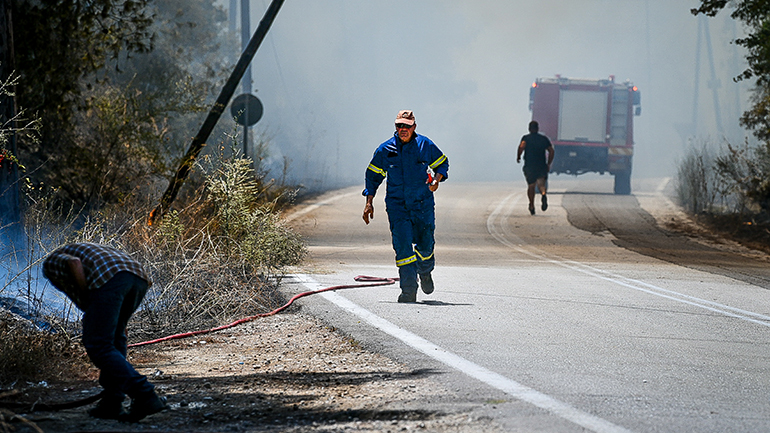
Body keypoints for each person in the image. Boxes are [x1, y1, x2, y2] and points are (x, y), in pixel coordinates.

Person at [42, 243, 167, 422]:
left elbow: (74, 263)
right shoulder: (92, 249)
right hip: (138, 279)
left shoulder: (50, 262)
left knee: (98, 345)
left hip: (111, 280)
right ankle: (112, 403)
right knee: (115, 341)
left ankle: (145, 395)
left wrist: (87, 296)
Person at [362, 110, 449, 303]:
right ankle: (408, 290)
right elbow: (372, 176)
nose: (403, 130)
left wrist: (436, 180)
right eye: (399, 126)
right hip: (397, 207)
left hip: (422, 206)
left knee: (425, 247)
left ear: (414, 127)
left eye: (406, 126)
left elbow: (442, 164)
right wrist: (369, 202)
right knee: (403, 249)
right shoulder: (385, 150)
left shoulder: (425, 145)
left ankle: (425, 272)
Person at [517, 120, 555, 215]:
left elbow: (522, 146)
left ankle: (531, 205)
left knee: (531, 185)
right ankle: (543, 194)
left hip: (530, 165)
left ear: (529, 129)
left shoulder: (526, 138)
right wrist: (549, 163)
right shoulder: (543, 139)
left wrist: (518, 156)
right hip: (541, 165)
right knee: (541, 183)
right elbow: (551, 150)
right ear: (537, 129)